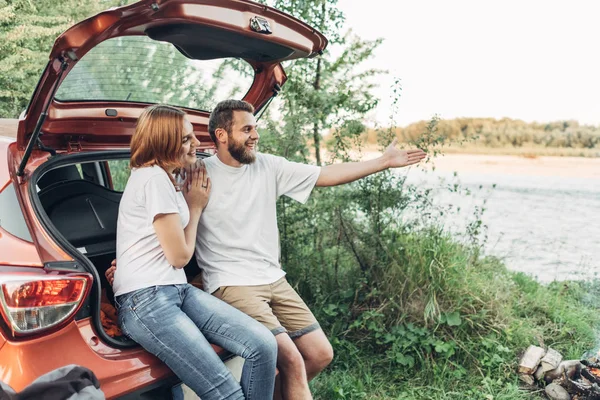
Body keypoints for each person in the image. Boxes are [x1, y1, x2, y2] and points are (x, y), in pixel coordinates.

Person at [107, 100, 426, 399]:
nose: (256, 135)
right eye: (247, 129)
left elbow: (325, 175)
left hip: (258, 280)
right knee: (291, 364)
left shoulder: (265, 167)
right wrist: (131, 268)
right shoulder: (193, 174)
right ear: (222, 134)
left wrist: (383, 162)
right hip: (223, 284)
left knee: (318, 354)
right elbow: (156, 220)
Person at [111, 104, 277, 400]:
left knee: (263, 346)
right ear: (166, 143)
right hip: (146, 301)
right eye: (187, 139)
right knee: (227, 394)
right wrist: (196, 206)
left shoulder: (164, 178)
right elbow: (179, 257)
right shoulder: (151, 180)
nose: (197, 144)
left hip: (176, 290)